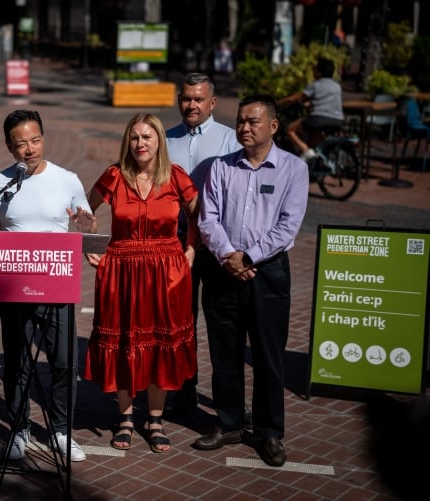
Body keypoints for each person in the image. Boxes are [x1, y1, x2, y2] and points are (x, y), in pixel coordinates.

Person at [193, 95, 308, 467]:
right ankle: (228, 422)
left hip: (267, 271)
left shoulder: (292, 169)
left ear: (273, 126)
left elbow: (288, 225)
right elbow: (208, 218)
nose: (243, 127)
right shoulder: (221, 167)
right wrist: (229, 256)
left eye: (252, 121)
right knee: (224, 351)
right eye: (241, 121)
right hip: (223, 268)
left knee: (267, 355)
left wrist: (249, 256)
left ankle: (269, 432)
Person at [0, 109, 95, 462]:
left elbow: (85, 225)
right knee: (16, 363)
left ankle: (60, 431)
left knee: (62, 362)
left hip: (57, 284)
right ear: (10, 147)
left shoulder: (68, 180)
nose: (30, 149)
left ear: (43, 137)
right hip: (15, 285)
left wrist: (86, 226)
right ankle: (18, 429)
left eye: (35, 140)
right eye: (21, 144)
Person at [83, 113, 199, 454]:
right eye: (134, 138)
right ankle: (125, 418)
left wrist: (191, 249)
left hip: (167, 270)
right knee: (122, 342)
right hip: (121, 270)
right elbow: (82, 211)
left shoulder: (176, 177)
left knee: (159, 345)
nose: (140, 144)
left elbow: (198, 215)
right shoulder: (115, 175)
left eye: (147, 137)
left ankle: (155, 419)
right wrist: (92, 248)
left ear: (159, 140)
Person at [164, 72, 240, 416]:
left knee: (223, 325)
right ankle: (183, 392)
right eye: (185, 98)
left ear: (212, 103)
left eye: (198, 99)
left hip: (216, 242)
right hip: (176, 241)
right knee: (180, 322)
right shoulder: (166, 139)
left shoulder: (231, 140)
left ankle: (229, 408)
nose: (191, 105)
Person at [279, 56, 343, 160]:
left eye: (314, 69)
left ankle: (305, 150)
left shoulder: (316, 85)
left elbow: (297, 98)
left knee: (290, 129)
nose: (313, 71)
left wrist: (280, 102)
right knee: (313, 138)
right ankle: (315, 161)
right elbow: (325, 99)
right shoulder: (337, 86)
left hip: (319, 119)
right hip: (337, 120)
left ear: (319, 72)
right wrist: (310, 103)